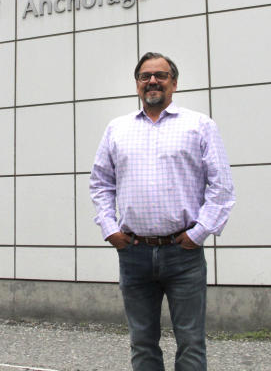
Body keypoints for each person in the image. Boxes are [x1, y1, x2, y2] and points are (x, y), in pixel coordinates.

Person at [89, 52, 235, 371]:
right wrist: (109, 228)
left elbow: (221, 186)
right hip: (134, 252)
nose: (152, 81)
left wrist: (197, 234)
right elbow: (100, 183)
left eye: (161, 75)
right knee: (142, 343)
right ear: (137, 84)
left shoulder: (199, 126)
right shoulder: (117, 129)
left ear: (174, 83)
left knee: (191, 342)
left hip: (183, 255)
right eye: (145, 76)